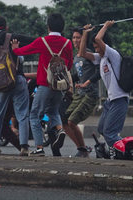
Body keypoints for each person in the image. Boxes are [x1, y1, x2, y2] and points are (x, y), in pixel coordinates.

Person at [11, 13, 73, 156]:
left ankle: (39, 148)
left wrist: (15, 49)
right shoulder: (67, 43)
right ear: (62, 28)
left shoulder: (42, 41)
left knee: (35, 115)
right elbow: (68, 66)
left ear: (48, 27)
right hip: (60, 85)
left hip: (45, 85)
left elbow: (23, 51)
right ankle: (59, 129)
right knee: (53, 111)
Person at [0, 15, 35, 155]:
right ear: (6, 27)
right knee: (22, 113)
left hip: (0, 85)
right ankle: (24, 147)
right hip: (17, 79)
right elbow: (35, 42)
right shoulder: (14, 37)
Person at [79, 21, 129, 149]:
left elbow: (98, 38)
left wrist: (106, 26)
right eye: (95, 48)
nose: (96, 50)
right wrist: (84, 34)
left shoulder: (113, 55)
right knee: (102, 129)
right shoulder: (101, 58)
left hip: (119, 99)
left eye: (97, 47)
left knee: (110, 134)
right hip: (110, 101)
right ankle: (124, 149)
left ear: (104, 45)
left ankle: (126, 151)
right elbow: (82, 53)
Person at [60, 28, 101, 157]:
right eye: (74, 37)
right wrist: (63, 79)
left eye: (79, 37)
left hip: (90, 94)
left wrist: (87, 83)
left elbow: (98, 72)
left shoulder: (88, 54)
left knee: (72, 121)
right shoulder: (75, 56)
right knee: (64, 120)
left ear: (84, 39)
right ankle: (82, 148)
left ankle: (83, 149)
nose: (76, 40)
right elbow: (79, 75)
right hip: (79, 94)